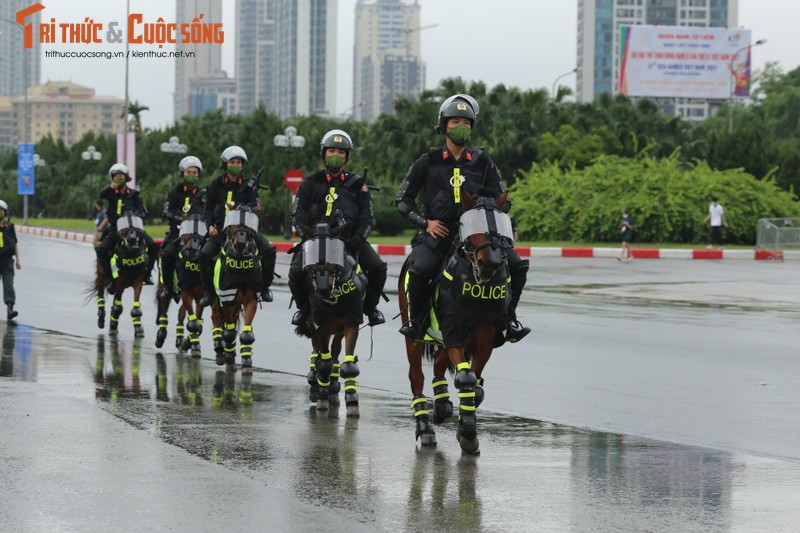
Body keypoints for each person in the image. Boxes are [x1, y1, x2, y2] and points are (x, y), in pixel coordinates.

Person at [395, 94, 531, 343]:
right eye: (455, 121)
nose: (461, 127)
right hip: (440, 235)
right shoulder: (427, 162)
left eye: (467, 122)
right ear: (444, 125)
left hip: (476, 236)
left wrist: (488, 205)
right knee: (418, 270)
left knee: (517, 266)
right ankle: (417, 323)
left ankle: (509, 320)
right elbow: (403, 200)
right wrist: (426, 223)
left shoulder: (484, 163)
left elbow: (505, 199)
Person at [288, 129, 387, 327]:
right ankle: (303, 310)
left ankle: (370, 309)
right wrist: (305, 235)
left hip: (349, 241)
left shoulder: (358, 184)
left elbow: (368, 217)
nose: (336, 156)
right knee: (295, 273)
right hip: (315, 242)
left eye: (341, 152)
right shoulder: (310, 182)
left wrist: (360, 236)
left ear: (346, 156)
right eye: (331, 151)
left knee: (378, 268)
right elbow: (298, 214)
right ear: (324, 154)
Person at [197, 146, 276, 307]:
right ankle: (209, 292)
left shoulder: (250, 185)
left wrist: (255, 208)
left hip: (245, 231)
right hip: (219, 231)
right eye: (232, 162)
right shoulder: (215, 185)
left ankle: (265, 288)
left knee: (268, 251)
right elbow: (208, 210)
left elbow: (256, 206)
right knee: (204, 255)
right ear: (225, 164)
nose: (235, 165)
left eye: (239, 162)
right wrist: (210, 226)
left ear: (243, 165)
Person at [95, 163, 159, 293]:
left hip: (135, 229)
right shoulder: (110, 193)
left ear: (126, 178)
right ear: (113, 178)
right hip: (116, 230)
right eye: (116, 176)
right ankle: (109, 278)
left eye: (121, 176)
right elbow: (101, 195)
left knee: (153, 246)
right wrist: (109, 187)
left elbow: (143, 210)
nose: (119, 178)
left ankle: (147, 274)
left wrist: (137, 214)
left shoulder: (134, 194)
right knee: (101, 249)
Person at [159, 156, 206, 299]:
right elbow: (167, 211)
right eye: (188, 172)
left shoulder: (203, 193)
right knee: (166, 255)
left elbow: (207, 211)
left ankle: (209, 288)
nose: (191, 175)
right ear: (182, 173)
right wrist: (180, 218)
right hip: (177, 233)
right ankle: (168, 287)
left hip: (198, 233)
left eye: (194, 172)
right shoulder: (174, 192)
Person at [0, 200, 21, 320]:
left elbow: (16, 244)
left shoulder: (10, 227)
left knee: (9, 286)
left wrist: (18, 260)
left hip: (7, 261)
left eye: (1, 211)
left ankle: (10, 310)